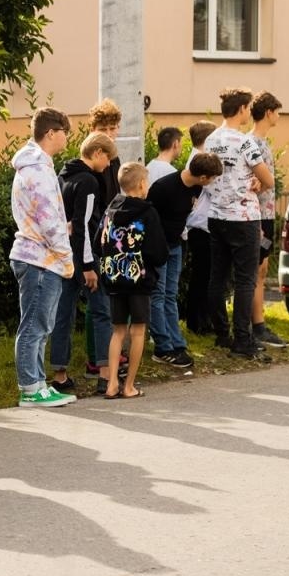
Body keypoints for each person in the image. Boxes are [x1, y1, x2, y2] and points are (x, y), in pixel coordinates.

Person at [9, 108, 76, 408]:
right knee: (35, 325)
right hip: (40, 258)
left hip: (39, 255)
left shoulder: (38, 165)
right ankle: (29, 388)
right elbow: (48, 218)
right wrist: (66, 256)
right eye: (65, 132)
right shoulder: (37, 168)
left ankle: (37, 382)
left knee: (41, 324)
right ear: (51, 132)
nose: (67, 138)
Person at [203, 88, 276, 361]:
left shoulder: (211, 140)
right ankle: (243, 340)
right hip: (243, 217)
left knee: (217, 277)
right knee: (245, 280)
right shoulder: (246, 143)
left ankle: (222, 334)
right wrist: (257, 181)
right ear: (243, 109)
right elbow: (267, 180)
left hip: (216, 215)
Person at [48, 132, 115, 395]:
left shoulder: (63, 174)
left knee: (63, 313)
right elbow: (84, 225)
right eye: (108, 158)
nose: (108, 165)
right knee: (101, 311)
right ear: (98, 152)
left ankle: (60, 374)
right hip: (83, 256)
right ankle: (105, 374)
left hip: (62, 255)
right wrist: (88, 265)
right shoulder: (88, 181)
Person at [98, 163, 170, 400]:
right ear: (141, 184)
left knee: (117, 330)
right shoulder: (147, 212)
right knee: (138, 331)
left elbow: (100, 239)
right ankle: (129, 386)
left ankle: (111, 384)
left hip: (114, 277)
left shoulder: (111, 209)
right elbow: (158, 251)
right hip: (139, 279)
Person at [145, 152, 223, 370]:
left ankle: (176, 342)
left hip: (176, 245)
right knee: (158, 296)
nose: (213, 182)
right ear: (204, 177)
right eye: (213, 178)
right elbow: (149, 218)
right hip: (159, 247)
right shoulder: (163, 187)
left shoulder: (197, 188)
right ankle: (163, 347)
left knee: (170, 294)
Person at [85, 99, 124, 374]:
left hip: (111, 232)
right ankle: (96, 357)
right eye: (104, 128)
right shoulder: (90, 161)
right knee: (96, 299)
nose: (109, 133)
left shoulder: (115, 158)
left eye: (113, 128)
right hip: (93, 235)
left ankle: (106, 351)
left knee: (107, 297)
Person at [249, 91, 289, 349]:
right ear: (268, 112)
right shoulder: (253, 143)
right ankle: (257, 325)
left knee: (261, 269)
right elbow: (257, 182)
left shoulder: (261, 142)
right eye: (277, 111)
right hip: (257, 216)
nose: (278, 116)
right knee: (257, 271)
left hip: (264, 214)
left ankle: (258, 322)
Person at [183, 120, 217, 333]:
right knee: (202, 277)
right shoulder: (198, 161)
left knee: (204, 276)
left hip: (200, 226)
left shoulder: (197, 159)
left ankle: (201, 319)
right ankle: (197, 322)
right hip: (199, 227)